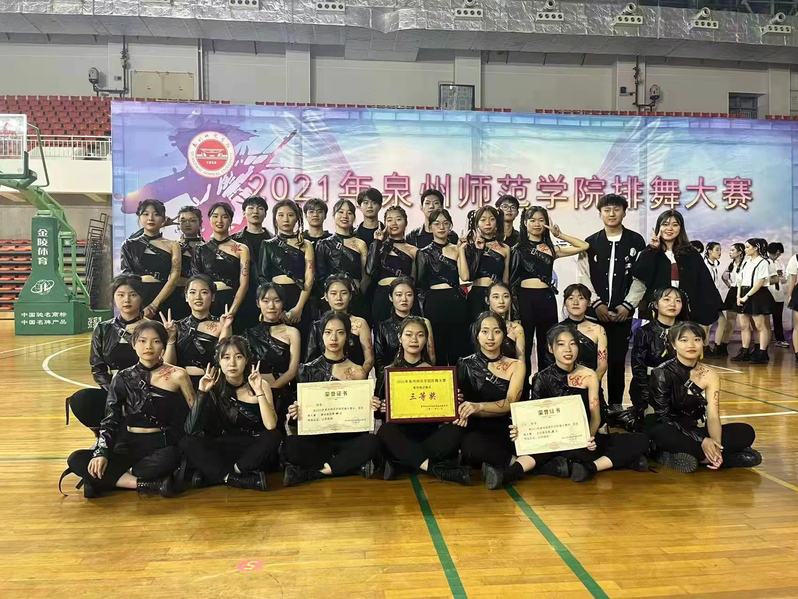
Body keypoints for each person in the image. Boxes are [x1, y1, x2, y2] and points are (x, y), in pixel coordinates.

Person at [64, 321, 195, 498]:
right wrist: (101, 453)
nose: (148, 346)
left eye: (156, 341)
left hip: (161, 443)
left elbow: (193, 413)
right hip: (128, 444)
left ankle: (107, 480)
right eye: (142, 341)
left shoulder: (178, 374)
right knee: (76, 459)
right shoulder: (122, 377)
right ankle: (144, 484)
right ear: (133, 344)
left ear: (164, 346)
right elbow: (111, 419)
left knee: (171, 458)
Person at [515, 325, 649, 484]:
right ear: (551, 348)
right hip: (554, 440)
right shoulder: (541, 378)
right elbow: (535, 417)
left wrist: (589, 437)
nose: (568, 349)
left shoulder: (589, 375)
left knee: (641, 439)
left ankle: (587, 467)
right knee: (524, 449)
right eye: (561, 344)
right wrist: (521, 429)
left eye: (573, 344)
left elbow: (595, 416)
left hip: (582, 438)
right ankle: (618, 462)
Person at [647, 322, 761, 472]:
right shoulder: (661, 373)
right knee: (663, 433)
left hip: (692, 429)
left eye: (697, 339)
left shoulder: (710, 374)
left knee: (746, 431)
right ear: (674, 345)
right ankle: (722, 459)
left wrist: (716, 444)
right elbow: (664, 417)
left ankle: (703, 457)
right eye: (684, 340)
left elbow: (713, 416)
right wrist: (702, 440)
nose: (691, 345)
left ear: (703, 343)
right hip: (667, 427)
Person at [283, 312, 381, 486]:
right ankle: (342, 467)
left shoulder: (357, 372)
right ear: (321, 335)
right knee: (290, 445)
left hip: (348, 439)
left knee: (372, 442)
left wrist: (370, 406)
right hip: (318, 440)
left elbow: (363, 421)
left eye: (340, 333)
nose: (333, 338)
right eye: (328, 332)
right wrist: (295, 413)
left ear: (348, 336)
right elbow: (295, 426)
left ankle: (316, 473)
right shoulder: (306, 370)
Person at [377, 316, 470, 484]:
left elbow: (444, 416)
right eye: (408, 334)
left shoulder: (437, 373)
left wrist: (453, 402)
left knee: (455, 431)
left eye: (420, 335)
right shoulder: (388, 372)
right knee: (385, 431)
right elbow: (377, 415)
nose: (414, 339)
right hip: (401, 436)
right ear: (400, 338)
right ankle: (436, 469)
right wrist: (378, 407)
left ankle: (403, 464)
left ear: (426, 339)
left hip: (429, 436)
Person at [180, 337, 281, 491]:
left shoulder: (260, 384)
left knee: (274, 436)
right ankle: (233, 479)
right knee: (187, 441)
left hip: (252, 448)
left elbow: (271, 425)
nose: (232, 363)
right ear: (219, 361)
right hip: (223, 446)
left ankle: (224, 475)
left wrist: (259, 391)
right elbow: (191, 429)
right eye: (226, 357)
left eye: (238, 357)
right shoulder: (212, 385)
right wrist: (202, 393)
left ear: (246, 360)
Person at [576, 194, 646, 413]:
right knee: (591, 361)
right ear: (600, 214)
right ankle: (593, 404)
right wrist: (596, 303)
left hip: (622, 314)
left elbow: (641, 277)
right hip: (594, 314)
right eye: (607, 210)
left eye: (616, 209)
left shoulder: (636, 241)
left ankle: (615, 406)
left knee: (616, 361)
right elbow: (583, 275)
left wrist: (627, 305)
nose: (611, 214)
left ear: (624, 212)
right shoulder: (590, 242)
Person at [66, 275, 147, 434]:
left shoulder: (152, 328)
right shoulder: (103, 328)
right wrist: (115, 392)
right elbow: (98, 368)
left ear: (141, 298)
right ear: (114, 298)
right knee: (82, 399)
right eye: (120, 295)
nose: (126, 300)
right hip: (113, 389)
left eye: (132, 294)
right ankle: (102, 435)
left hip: (144, 390)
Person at [511, 206, 588, 372]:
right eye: (532, 220)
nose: (537, 224)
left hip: (546, 298)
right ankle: (524, 384)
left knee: (547, 343)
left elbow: (583, 246)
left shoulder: (551, 248)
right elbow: (511, 281)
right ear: (525, 223)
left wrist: (559, 234)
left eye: (541, 220)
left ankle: (545, 382)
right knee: (525, 344)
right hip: (525, 299)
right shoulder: (517, 249)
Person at [457, 312, 526, 490]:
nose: (490, 337)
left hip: (504, 424)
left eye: (496, 331)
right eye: (485, 331)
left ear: (504, 335)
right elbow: (459, 401)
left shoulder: (516, 365)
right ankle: (513, 464)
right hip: (475, 426)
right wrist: (458, 407)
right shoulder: (464, 364)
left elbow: (510, 403)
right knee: (469, 444)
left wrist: (478, 406)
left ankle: (501, 464)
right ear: (477, 335)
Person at [632, 209, 722, 328]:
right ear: (658, 227)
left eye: (675, 225)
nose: (669, 228)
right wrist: (652, 249)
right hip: (656, 313)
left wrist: (714, 307)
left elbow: (704, 281)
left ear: (681, 229)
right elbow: (640, 275)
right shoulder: (650, 251)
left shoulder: (691, 253)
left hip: (685, 313)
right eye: (665, 224)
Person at [614, 286, 684, 432]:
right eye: (667, 299)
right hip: (649, 388)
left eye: (678, 301)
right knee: (655, 428)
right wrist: (647, 397)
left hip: (676, 389)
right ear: (656, 305)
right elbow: (638, 367)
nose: (673, 304)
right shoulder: (644, 332)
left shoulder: (685, 332)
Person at [243, 283, 302, 433]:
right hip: (255, 393)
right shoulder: (248, 334)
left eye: (277, 300)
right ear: (258, 303)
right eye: (266, 301)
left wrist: (273, 389)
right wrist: (260, 392)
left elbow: (292, 370)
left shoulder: (292, 332)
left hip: (282, 391)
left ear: (283, 303)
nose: (271, 306)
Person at [415, 208, 469, 366]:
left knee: (457, 347)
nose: (441, 227)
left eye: (446, 223)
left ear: (450, 226)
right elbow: (419, 283)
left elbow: (465, 277)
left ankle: (459, 381)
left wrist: (461, 250)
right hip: (434, 302)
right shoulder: (423, 253)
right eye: (437, 223)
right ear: (430, 226)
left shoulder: (457, 249)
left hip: (456, 301)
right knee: (437, 346)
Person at [258, 199, 315, 346]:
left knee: (302, 342)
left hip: (300, 297)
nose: (286, 219)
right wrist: (276, 308)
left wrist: (298, 308)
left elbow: (309, 278)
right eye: (281, 215)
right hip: (276, 299)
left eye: (290, 215)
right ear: (275, 218)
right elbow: (263, 277)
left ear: (297, 218)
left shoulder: (306, 245)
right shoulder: (267, 244)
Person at [162, 274, 233, 389]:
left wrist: (225, 329)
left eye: (204, 292)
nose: (198, 297)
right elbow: (168, 366)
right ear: (186, 297)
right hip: (182, 384)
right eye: (192, 292)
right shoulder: (175, 327)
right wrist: (171, 338)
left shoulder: (222, 324)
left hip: (213, 383)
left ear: (213, 296)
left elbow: (225, 358)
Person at [191, 202, 250, 332]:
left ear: (231, 220)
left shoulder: (241, 249)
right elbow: (196, 282)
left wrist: (232, 311)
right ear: (209, 219)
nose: (219, 220)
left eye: (224, 216)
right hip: (207, 304)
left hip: (232, 302)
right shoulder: (200, 249)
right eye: (215, 216)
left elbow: (244, 284)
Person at [373, 277, 436, 398]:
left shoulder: (424, 322)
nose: (404, 299)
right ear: (391, 297)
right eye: (398, 295)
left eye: (409, 295)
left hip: (421, 379)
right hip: (393, 381)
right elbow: (379, 360)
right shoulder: (383, 326)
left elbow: (431, 357)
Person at [120, 199, 182, 319]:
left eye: (156, 214)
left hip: (166, 297)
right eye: (146, 214)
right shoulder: (128, 245)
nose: (151, 218)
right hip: (138, 299)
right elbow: (126, 277)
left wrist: (154, 305)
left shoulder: (173, 245)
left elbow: (174, 277)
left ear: (163, 218)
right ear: (139, 217)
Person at [306, 275, 374, 373]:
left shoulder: (360, 323)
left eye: (344, 293)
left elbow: (369, 359)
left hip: (354, 377)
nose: (339, 298)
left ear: (350, 296)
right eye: (333, 293)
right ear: (326, 296)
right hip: (323, 379)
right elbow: (310, 360)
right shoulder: (317, 326)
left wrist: (359, 375)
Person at [315, 199, 369, 320]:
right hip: (332, 300)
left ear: (354, 217)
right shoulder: (323, 244)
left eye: (349, 213)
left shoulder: (360, 244)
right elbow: (320, 276)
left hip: (355, 298)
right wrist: (331, 295)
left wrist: (358, 293)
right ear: (334, 216)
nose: (345, 216)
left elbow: (365, 275)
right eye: (341, 212)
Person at [560, 284, 608, 418]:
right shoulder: (556, 330)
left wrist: (590, 385)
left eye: (581, 298)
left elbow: (602, 365)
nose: (575, 302)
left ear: (589, 303)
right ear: (565, 302)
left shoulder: (598, 330)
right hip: (562, 388)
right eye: (570, 298)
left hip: (590, 386)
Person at [458, 206, 511, 322]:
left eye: (492, 219)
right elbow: (465, 277)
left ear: (497, 222)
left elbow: (505, 281)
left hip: (497, 296)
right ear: (476, 223)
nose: (488, 223)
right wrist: (468, 250)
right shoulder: (468, 247)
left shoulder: (505, 248)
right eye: (483, 220)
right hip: (476, 295)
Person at [366, 206, 417, 323]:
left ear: (406, 222)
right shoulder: (378, 246)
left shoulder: (413, 250)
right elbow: (369, 270)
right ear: (384, 224)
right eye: (389, 220)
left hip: (403, 297)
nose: (394, 223)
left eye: (398, 219)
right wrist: (377, 241)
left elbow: (415, 280)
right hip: (382, 296)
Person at [232, 196, 272, 331]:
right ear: (244, 213)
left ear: (265, 213)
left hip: (268, 296)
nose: (255, 212)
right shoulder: (234, 241)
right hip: (241, 297)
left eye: (260, 208)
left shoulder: (274, 240)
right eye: (251, 208)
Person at [732, 238, 775, 364]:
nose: (745, 249)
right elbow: (739, 281)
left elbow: (760, 281)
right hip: (744, 293)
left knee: (760, 325)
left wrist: (747, 296)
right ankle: (745, 351)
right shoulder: (746, 262)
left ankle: (762, 352)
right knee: (744, 325)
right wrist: (738, 296)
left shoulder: (763, 262)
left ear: (756, 248)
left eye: (747, 247)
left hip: (758, 294)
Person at [173, 205, 205, 319]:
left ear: (200, 223)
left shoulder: (208, 248)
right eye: (183, 221)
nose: (187, 224)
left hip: (202, 298)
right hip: (177, 297)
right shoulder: (172, 247)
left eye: (192, 220)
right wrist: (162, 224)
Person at [716, 242, 746, 357]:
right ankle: (723, 346)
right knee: (730, 321)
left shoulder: (746, 264)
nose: (730, 252)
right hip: (733, 292)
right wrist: (730, 285)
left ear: (740, 252)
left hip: (744, 292)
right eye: (730, 250)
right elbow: (724, 277)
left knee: (745, 323)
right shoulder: (731, 264)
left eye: (733, 250)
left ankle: (747, 348)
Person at [485, 281, 525, 359]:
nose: (501, 301)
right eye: (496, 297)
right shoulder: (480, 326)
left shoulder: (516, 329)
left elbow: (521, 361)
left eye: (506, 296)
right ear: (487, 300)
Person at [703, 242, 728, 355]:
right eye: (717, 249)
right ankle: (706, 347)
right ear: (709, 251)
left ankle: (716, 346)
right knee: (706, 324)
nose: (719, 252)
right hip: (706, 295)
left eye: (720, 249)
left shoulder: (714, 264)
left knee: (722, 321)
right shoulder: (704, 264)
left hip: (714, 294)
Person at [767, 242, 789, 348]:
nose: (779, 255)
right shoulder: (765, 262)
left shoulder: (779, 263)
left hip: (778, 294)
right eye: (779, 253)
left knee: (778, 318)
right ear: (777, 252)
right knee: (764, 318)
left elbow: (784, 279)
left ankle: (779, 339)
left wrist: (778, 278)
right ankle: (764, 340)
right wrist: (775, 278)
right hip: (767, 294)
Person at [788, 249, 798, 363]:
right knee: (797, 326)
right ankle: (797, 353)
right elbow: (792, 279)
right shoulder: (795, 258)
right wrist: (790, 295)